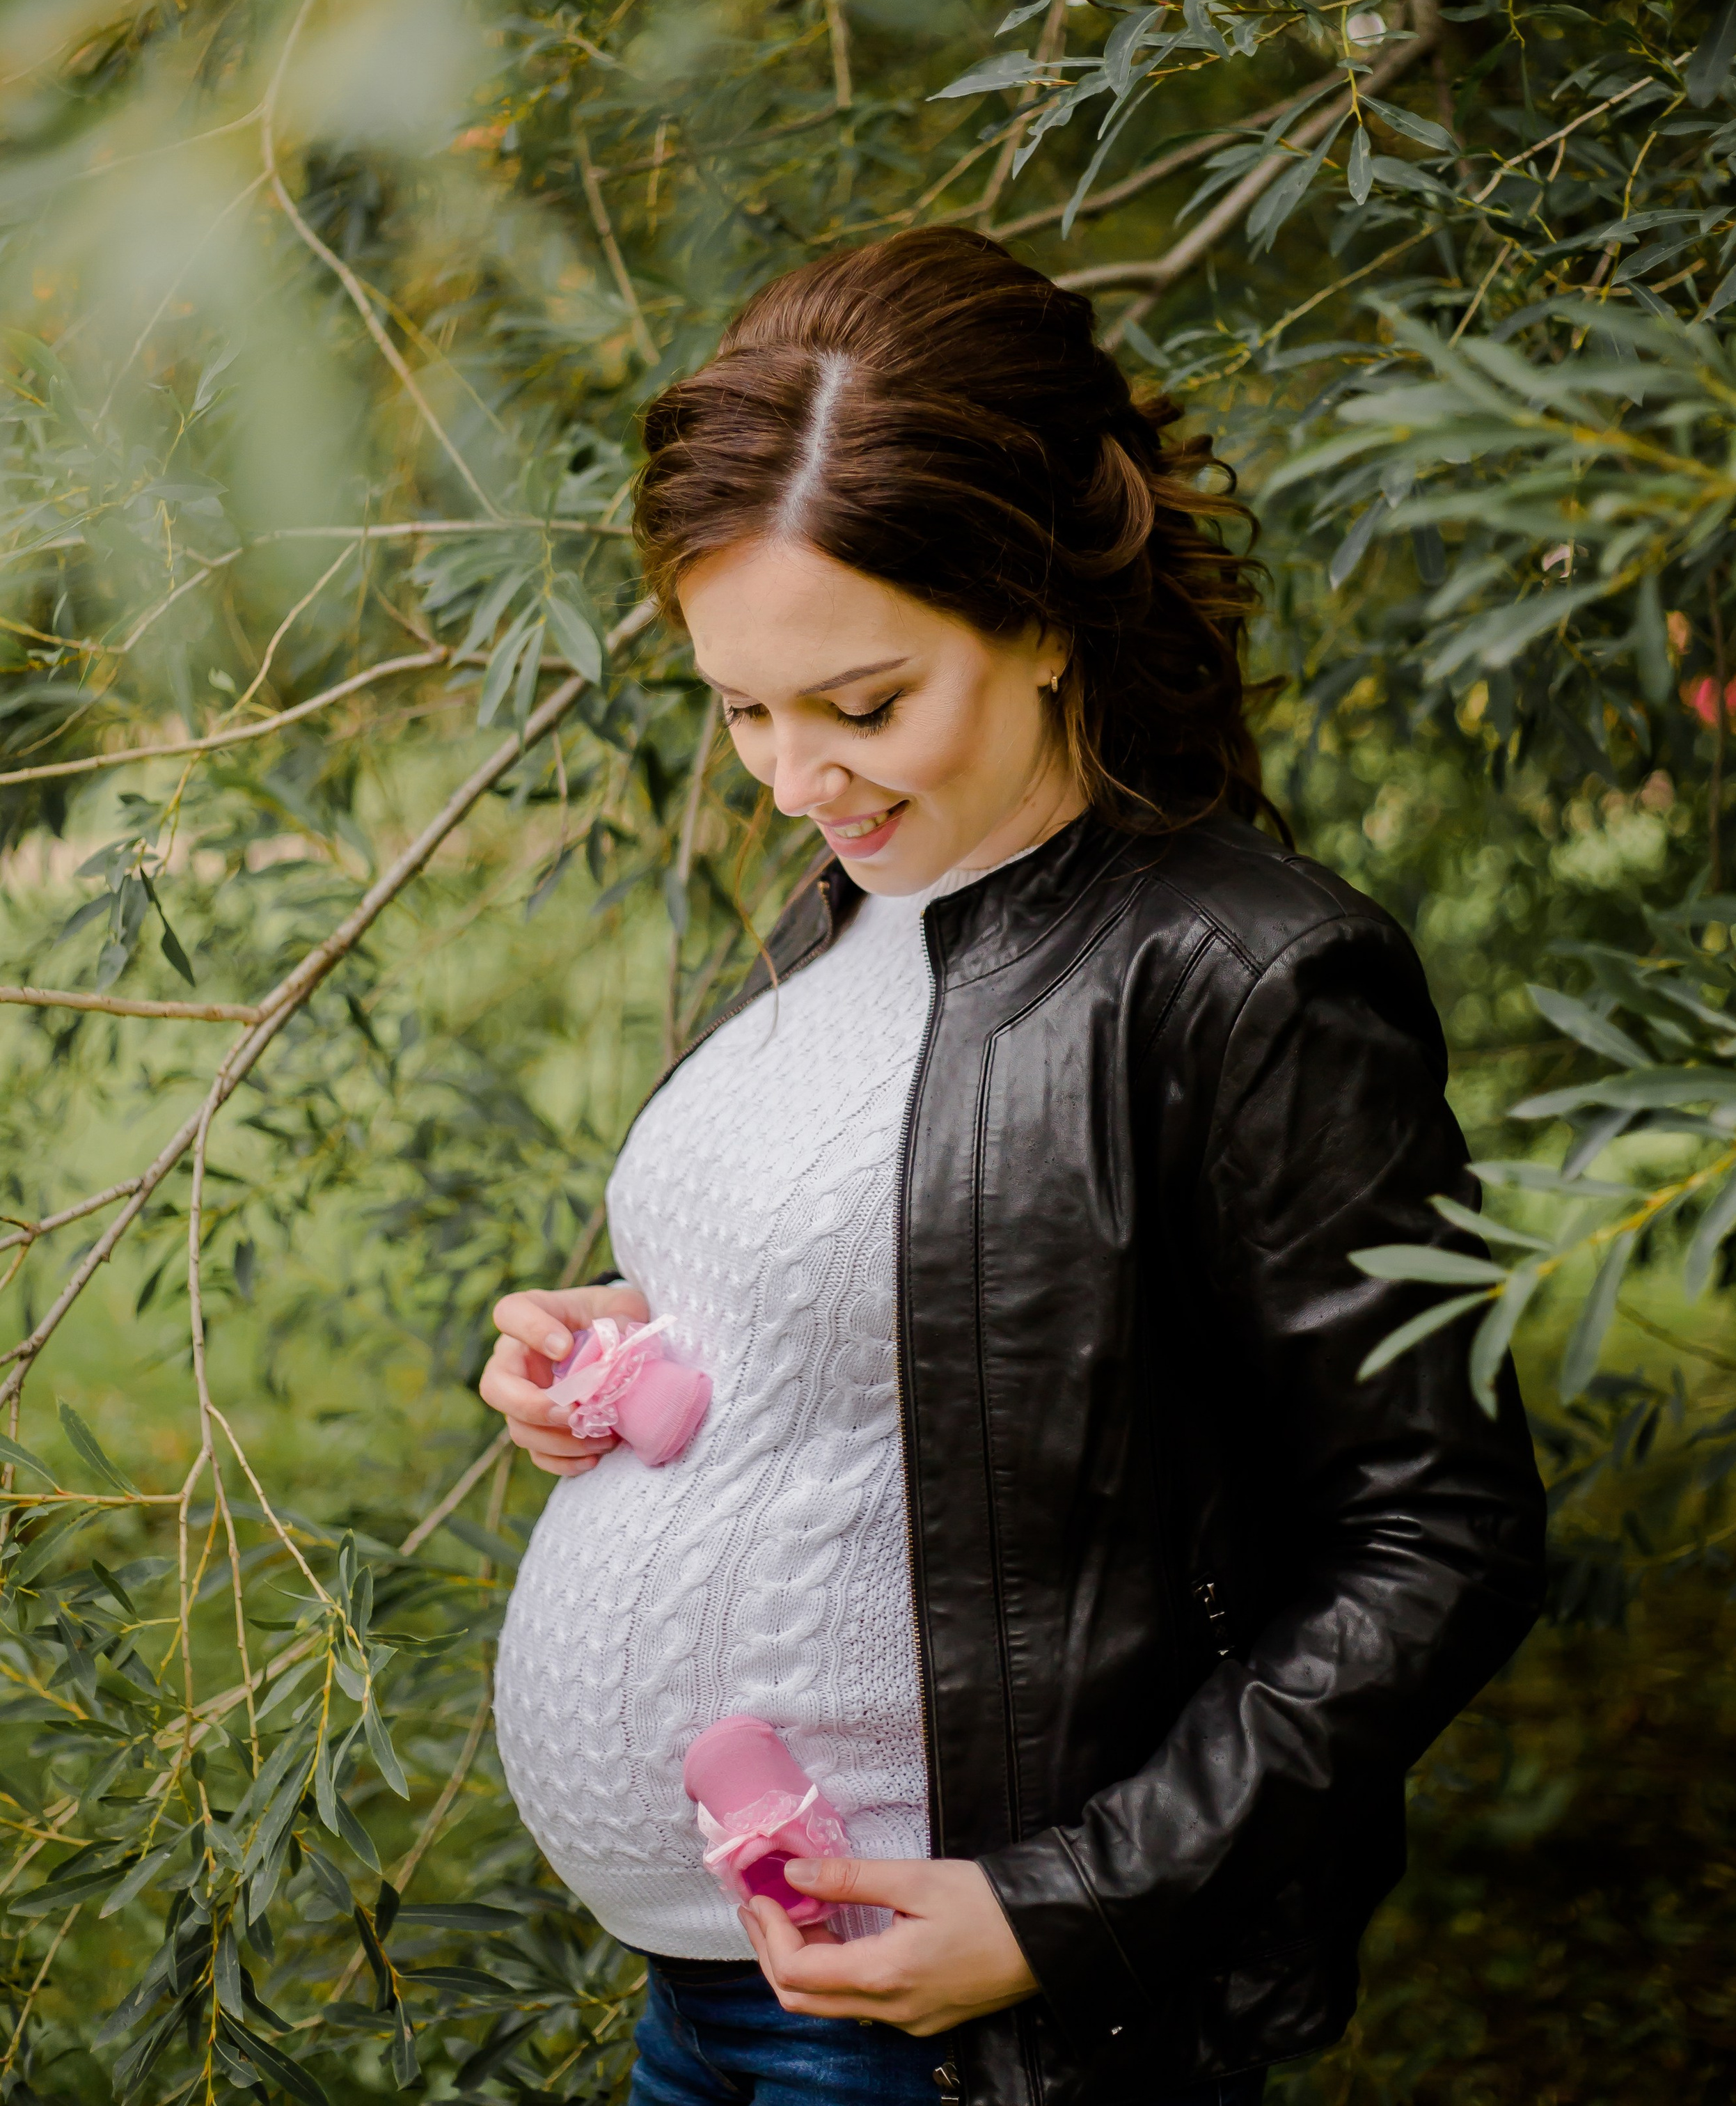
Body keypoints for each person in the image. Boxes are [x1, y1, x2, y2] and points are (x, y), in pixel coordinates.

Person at [479, 227, 1546, 2106]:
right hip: (710, 1998)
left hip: (960, 2031)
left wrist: (1066, 1905)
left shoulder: (1245, 974)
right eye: (743, 708)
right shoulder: (854, 908)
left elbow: (1436, 1532)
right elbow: (958, 1309)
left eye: (863, 703)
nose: (799, 776)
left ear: (1045, 612)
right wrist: (625, 1341)